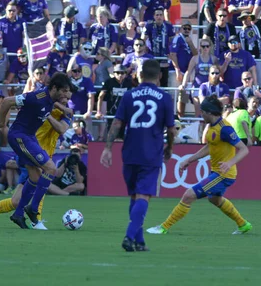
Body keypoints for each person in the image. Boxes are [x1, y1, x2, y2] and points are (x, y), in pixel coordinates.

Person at [147, 94, 251, 236]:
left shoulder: (225, 128)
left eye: (202, 112)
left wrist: (229, 162)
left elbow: (244, 149)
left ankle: (163, 227)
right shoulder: (212, 126)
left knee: (189, 195)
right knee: (215, 199)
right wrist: (190, 160)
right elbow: (210, 147)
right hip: (218, 172)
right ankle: (243, 224)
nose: (200, 114)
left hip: (223, 174)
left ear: (209, 112)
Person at [100, 59, 175, 251]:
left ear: (138, 76)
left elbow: (116, 123)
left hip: (130, 152)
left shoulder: (129, 96)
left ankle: (139, 242)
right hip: (151, 153)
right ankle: (129, 235)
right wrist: (170, 147)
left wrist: (108, 148)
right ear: (159, 76)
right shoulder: (165, 97)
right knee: (143, 196)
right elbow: (171, 129)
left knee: (134, 197)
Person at [0, 100, 73, 230]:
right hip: (29, 152)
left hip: (45, 156)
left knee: (15, 202)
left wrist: (50, 114)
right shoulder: (40, 104)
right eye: (64, 93)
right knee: (42, 180)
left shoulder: (66, 113)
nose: (65, 97)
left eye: (68, 94)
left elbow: (61, 129)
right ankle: (36, 221)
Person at [0, 72, 72, 229]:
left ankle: (18, 214)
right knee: (51, 168)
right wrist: (1, 124)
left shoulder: (51, 100)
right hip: (19, 136)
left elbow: (62, 110)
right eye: (64, 91)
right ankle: (32, 209)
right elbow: (6, 101)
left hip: (29, 136)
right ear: (54, 88)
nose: (67, 94)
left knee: (35, 177)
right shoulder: (36, 97)